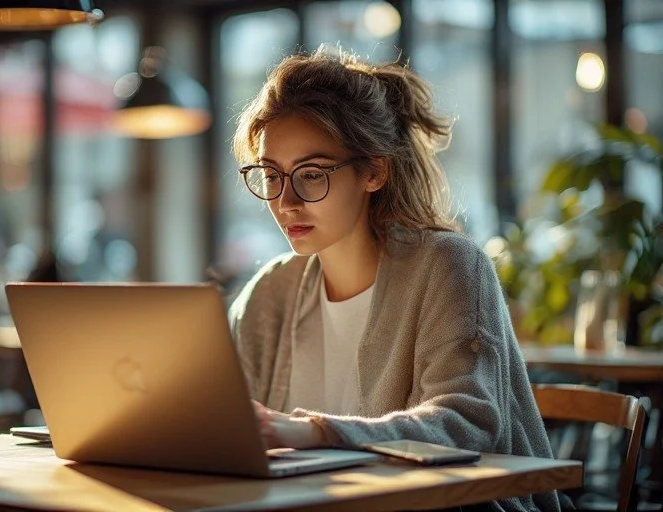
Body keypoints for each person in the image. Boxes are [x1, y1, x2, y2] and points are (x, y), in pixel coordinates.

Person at [227, 47, 564, 512]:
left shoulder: (449, 266)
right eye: (270, 175)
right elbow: (227, 424)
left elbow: (467, 422)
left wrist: (316, 432)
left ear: (374, 170)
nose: (285, 201)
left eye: (311, 175)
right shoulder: (268, 293)